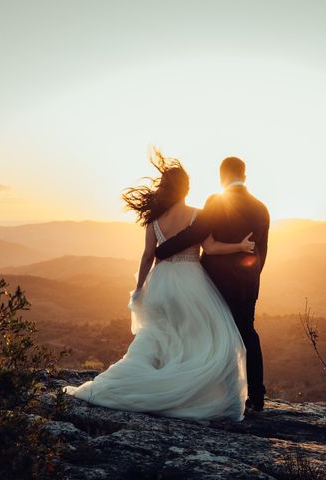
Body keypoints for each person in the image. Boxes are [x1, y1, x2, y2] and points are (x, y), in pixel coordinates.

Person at [63, 149, 253, 421]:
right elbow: (210, 248)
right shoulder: (198, 215)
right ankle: (186, 389)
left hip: (161, 283)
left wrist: (140, 288)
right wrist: (240, 246)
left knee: (160, 335)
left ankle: (149, 381)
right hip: (192, 282)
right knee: (204, 339)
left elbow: (146, 256)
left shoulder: (153, 221)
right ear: (186, 189)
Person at [155, 156, 270, 411]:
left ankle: (213, 393)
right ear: (245, 175)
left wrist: (162, 250)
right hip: (247, 285)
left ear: (222, 177)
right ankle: (257, 396)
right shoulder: (262, 208)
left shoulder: (216, 201)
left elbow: (196, 233)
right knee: (247, 334)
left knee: (211, 335)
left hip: (215, 281)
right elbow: (262, 252)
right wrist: (252, 278)